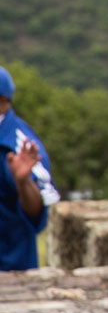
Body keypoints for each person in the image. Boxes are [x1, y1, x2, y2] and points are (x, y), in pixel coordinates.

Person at [0, 65, 61, 271]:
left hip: (10, 269)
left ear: (2, 101)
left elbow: (38, 213)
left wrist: (23, 181)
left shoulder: (18, 145)